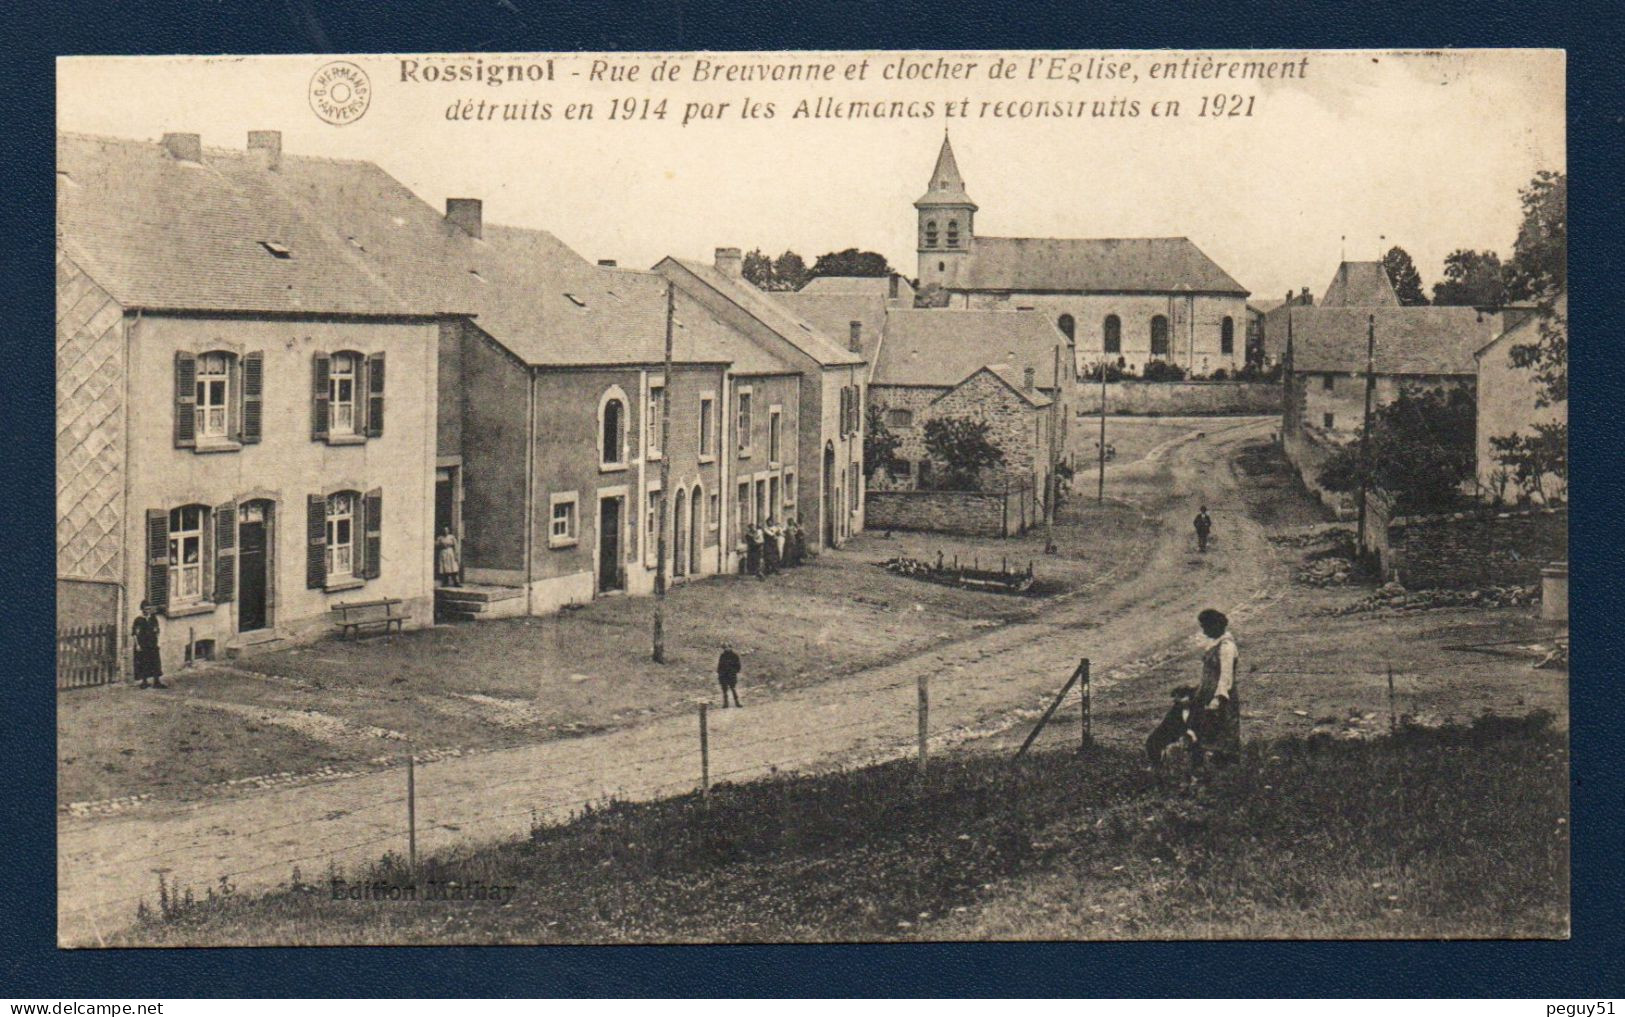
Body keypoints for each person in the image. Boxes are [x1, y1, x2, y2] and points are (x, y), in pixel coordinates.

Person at [1191, 608, 1240, 766]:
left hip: (1220, 695)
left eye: (1206, 627)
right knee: (1206, 729)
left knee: (1223, 729)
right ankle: (1210, 763)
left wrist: (1218, 699)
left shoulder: (1226, 647)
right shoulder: (1215, 643)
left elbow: (1226, 676)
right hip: (1207, 693)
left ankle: (1226, 765)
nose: (1204, 631)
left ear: (1216, 626)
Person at [131, 600, 167, 689]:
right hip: (143, 644)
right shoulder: (138, 620)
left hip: (153, 644)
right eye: (146, 609)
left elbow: (157, 631)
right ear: (142, 609)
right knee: (143, 662)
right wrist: (137, 645)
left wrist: (159, 641)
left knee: (155, 662)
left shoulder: (153, 619)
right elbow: (135, 634)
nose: (148, 611)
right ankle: (144, 681)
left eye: (149, 609)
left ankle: (156, 681)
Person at [716, 641, 743, 708]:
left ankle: (737, 703)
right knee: (724, 690)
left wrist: (734, 671)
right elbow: (720, 666)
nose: (727, 648)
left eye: (728, 647)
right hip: (723, 675)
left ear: (730, 647)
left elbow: (738, 666)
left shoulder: (734, 655)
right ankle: (725, 704)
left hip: (731, 675)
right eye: (725, 647)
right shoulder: (722, 656)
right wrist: (719, 674)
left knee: (733, 689)